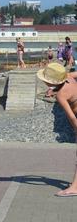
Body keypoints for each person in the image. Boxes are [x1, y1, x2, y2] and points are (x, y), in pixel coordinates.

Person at [37, 63, 77, 197]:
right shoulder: (70, 77)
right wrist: (53, 90)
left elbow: (71, 116)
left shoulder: (61, 95)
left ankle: (75, 188)